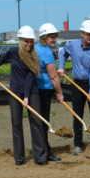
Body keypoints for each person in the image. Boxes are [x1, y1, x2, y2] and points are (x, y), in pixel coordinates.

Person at [0, 26, 47, 165]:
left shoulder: (34, 57)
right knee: (16, 124)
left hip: (31, 91)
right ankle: (19, 158)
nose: (29, 44)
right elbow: (1, 60)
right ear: (20, 40)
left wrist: (26, 97)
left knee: (36, 122)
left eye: (31, 41)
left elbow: (30, 78)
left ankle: (40, 157)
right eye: (26, 41)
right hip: (14, 92)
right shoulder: (13, 52)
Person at [57, 20, 90, 155]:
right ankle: (78, 145)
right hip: (76, 84)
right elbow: (62, 53)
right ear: (82, 33)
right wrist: (61, 66)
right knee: (77, 116)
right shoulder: (73, 45)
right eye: (88, 34)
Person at [35, 23, 65, 161]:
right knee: (44, 122)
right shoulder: (46, 52)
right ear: (44, 37)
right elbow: (53, 77)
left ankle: (43, 151)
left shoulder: (36, 49)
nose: (54, 40)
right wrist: (59, 93)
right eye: (51, 37)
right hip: (44, 90)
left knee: (39, 122)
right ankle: (45, 152)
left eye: (55, 37)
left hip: (36, 89)